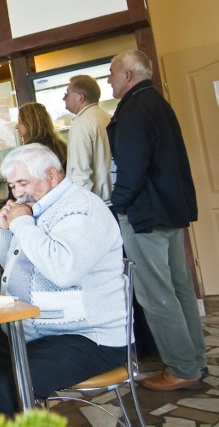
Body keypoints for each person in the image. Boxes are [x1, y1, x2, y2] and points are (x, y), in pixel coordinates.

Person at [0, 143, 127, 417]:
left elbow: (62, 270)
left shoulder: (81, 208)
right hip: (40, 330)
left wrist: (23, 223)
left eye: (23, 183)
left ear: (51, 176)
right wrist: (6, 229)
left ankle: (13, 407)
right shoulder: (41, 206)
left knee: (7, 382)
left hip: (89, 336)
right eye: (12, 186)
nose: (17, 193)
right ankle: (13, 414)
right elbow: (11, 264)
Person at [107, 49, 207, 391]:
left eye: (112, 73)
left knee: (157, 295)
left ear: (128, 76)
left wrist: (115, 207)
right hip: (172, 211)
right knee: (180, 290)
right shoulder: (159, 103)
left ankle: (181, 368)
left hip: (145, 214)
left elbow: (132, 170)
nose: (109, 79)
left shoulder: (133, 109)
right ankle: (194, 361)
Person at [64, 75, 113, 204]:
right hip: (112, 196)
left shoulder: (81, 123)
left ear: (80, 97)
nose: (64, 98)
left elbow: (81, 170)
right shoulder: (106, 117)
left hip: (96, 200)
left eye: (67, 94)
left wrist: (80, 205)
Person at [15, 102, 68, 170]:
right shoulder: (59, 145)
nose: (16, 126)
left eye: (20, 122)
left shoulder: (33, 151)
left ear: (31, 124)